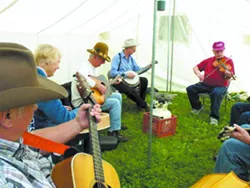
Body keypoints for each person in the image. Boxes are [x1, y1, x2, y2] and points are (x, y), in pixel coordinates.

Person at [0, 42, 101, 187]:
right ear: (7, 117)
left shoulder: (12, 139)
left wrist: (78, 123)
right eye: (30, 102)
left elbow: (31, 140)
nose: (35, 107)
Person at [71, 42, 128, 142]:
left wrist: (111, 83)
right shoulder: (83, 67)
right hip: (83, 102)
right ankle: (113, 132)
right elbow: (79, 76)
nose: (103, 63)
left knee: (117, 96)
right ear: (96, 57)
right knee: (115, 103)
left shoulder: (92, 68)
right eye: (102, 60)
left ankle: (115, 122)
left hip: (91, 98)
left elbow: (97, 85)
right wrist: (96, 85)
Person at [186, 41, 235, 125]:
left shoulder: (228, 61)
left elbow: (229, 76)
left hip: (220, 86)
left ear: (224, 50)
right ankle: (197, 107)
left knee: (216, 93)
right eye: (217, 51)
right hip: (206, 84)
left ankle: (214, 117)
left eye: (221, 51)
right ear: (213, 51)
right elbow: (196, 67)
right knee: (190, 89)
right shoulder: (209, 60)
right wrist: (199, 74)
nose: (219, 53)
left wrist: (228, 75)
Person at [33, 44, 78, 129]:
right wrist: (82, 110)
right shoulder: (45, 86)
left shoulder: (31, 79)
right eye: (57, 62)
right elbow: (64, 118)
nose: (58, 67)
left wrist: (59, 108)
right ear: (47, 62)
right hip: (40, 134)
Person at [110, 38, 149, 111]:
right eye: (133, 49)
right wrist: (125, 75)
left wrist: (147, 67)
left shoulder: (131, 59)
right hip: (118, 80)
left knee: (144, 80)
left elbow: (137, 70)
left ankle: (139, 103)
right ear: (128, 48)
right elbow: (112, 73)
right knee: (128, 89)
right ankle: (144, 105)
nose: (135, 50)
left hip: (130, 80)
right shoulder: (117, 57)